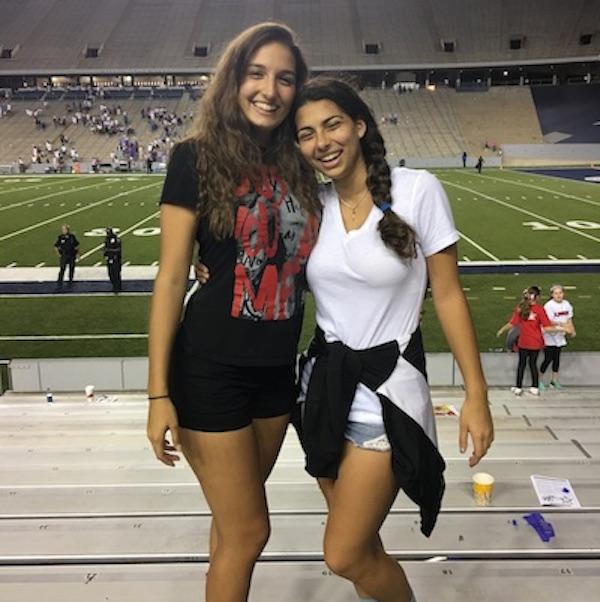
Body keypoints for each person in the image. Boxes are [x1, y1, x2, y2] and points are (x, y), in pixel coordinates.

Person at [292, 77, 494, 602]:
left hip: (387, 393)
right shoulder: (312, 205)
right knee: (362, 545)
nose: (322, 142)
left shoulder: (417, 189)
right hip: (324, 390)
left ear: (359, 125)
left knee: (343, 553)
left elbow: (448, 296)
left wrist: (477, 394)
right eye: (307, 133)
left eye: (332, 124)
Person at [146, 23, 320, 602]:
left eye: (285, 78)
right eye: (257, 73)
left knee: (231, 528)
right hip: (209, 368)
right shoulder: (193, 158)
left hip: (276, 372)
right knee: (251, 529)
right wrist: (156, 396)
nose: (270, 89)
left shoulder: (301, 164)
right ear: (234, 79)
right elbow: (171, 278)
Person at [497, 286, 566, 396]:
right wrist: (561, 328)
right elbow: (547, 327)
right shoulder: (539, 309)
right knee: (533, 364)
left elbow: (512, 323)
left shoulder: (520, 308)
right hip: (536, 342)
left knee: (521, 364)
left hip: (524, 341)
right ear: (537, 297)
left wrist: (501, 330)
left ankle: (518, 387)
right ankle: (534, 387)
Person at [540, 284, 575, 390]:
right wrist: (563, 326)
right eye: (556, 293)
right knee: (548, 358)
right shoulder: (549, 306)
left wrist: (572, 329)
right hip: (550, 335)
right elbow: (549, 321)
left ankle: (554, 381)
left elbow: (569, 319)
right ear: (552, 295)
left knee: (557, 359)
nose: (559, 295)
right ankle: (539, 380)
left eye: (560, 293)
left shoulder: (567, 304)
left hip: (560, 335)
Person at [54, 224, 79, 290]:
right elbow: (56, 246)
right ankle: (60, 281)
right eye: (63, 229)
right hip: (64, 255)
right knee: (62, 269)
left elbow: (76, 246)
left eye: (65, 229)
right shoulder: (60, 237)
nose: (63, 231)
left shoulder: (72, 237)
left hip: (71, 255)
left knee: (71, 269)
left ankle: (70, 280)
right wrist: (58, 254)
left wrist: (77, 254)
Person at [103, 227, 122, 293]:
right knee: (110, 273)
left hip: (115, 259)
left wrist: (109, 250)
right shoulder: (107, 239)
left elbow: (118, 249)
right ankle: (114, 286)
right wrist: (105, 254)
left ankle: (118, 287)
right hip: (109, 258)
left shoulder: (115, 239)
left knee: (116, 273)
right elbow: (105, 248)